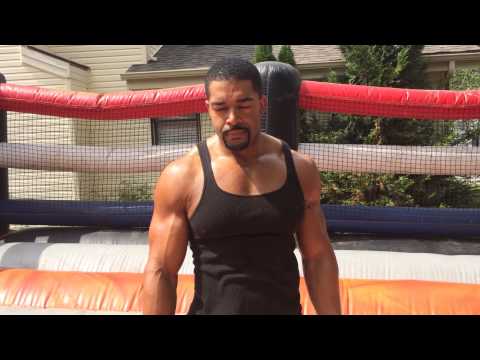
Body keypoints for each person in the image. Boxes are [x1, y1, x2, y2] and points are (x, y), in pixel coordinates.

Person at [142, 57, 341, 315]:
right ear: (208, 109)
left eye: (243, 105)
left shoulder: (300, 170)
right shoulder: (182, 176)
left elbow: (317, 257)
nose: (232, 118)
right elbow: (161, 270)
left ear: (261, 104)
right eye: (221, 108)